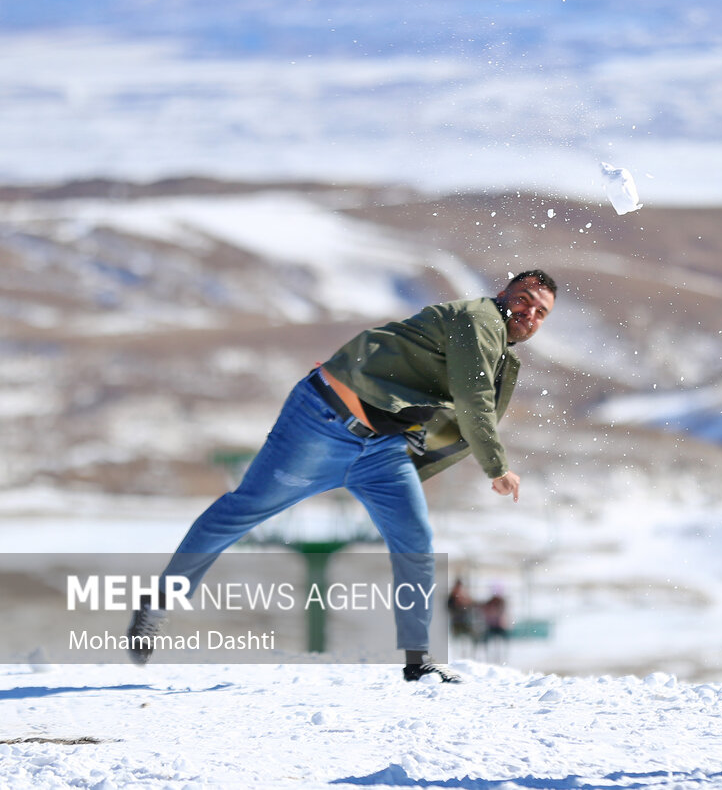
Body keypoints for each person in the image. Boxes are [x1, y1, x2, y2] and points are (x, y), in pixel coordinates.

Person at [126, 270, 558, 683]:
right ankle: (159, 603)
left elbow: (457, 418)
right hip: (323, 424)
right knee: (239, 512)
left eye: (541, 313)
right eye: (524, 300)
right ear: (504, 294)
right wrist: (496, 467)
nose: (530, 315)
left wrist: (421, 454)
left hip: (383, 451)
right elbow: (472, 397)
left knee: (415, 541)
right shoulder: (478, 319)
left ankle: (417, 660)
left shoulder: (501, 355)